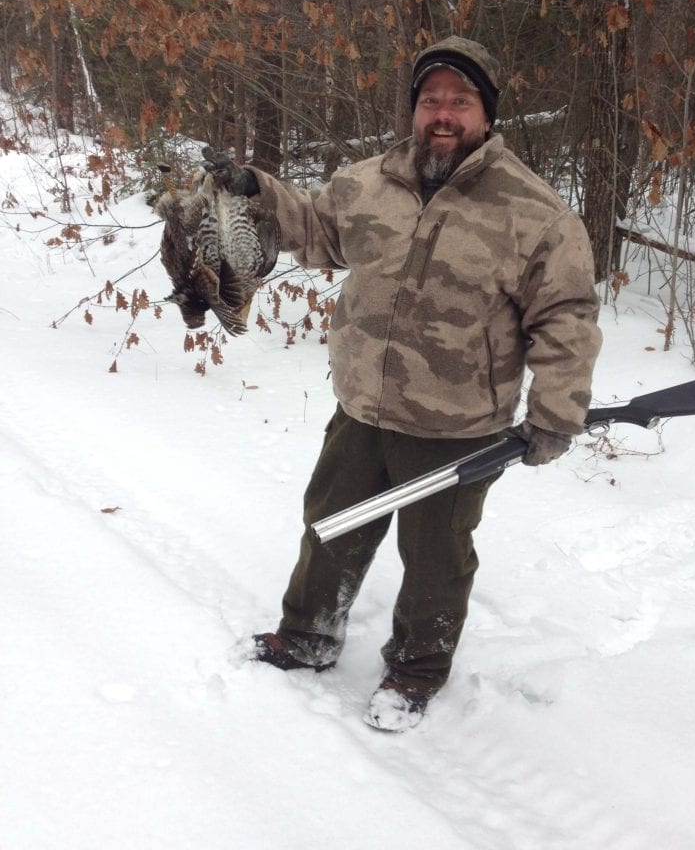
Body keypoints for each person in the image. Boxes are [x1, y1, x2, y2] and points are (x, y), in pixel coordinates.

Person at [208, 36, 602, 731]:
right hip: (363, 404)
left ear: (486, 113)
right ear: (414, 110)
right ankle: (307, 635)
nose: (442, 114)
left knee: (435, 561)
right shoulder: (368, 182)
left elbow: (565, 315)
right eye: (430, 101)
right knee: (330, 527)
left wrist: (555, 414)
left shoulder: (534, 211)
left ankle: (416, 672)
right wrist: (255, 191)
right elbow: (317, 230)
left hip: (458, 427)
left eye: (459, 100)